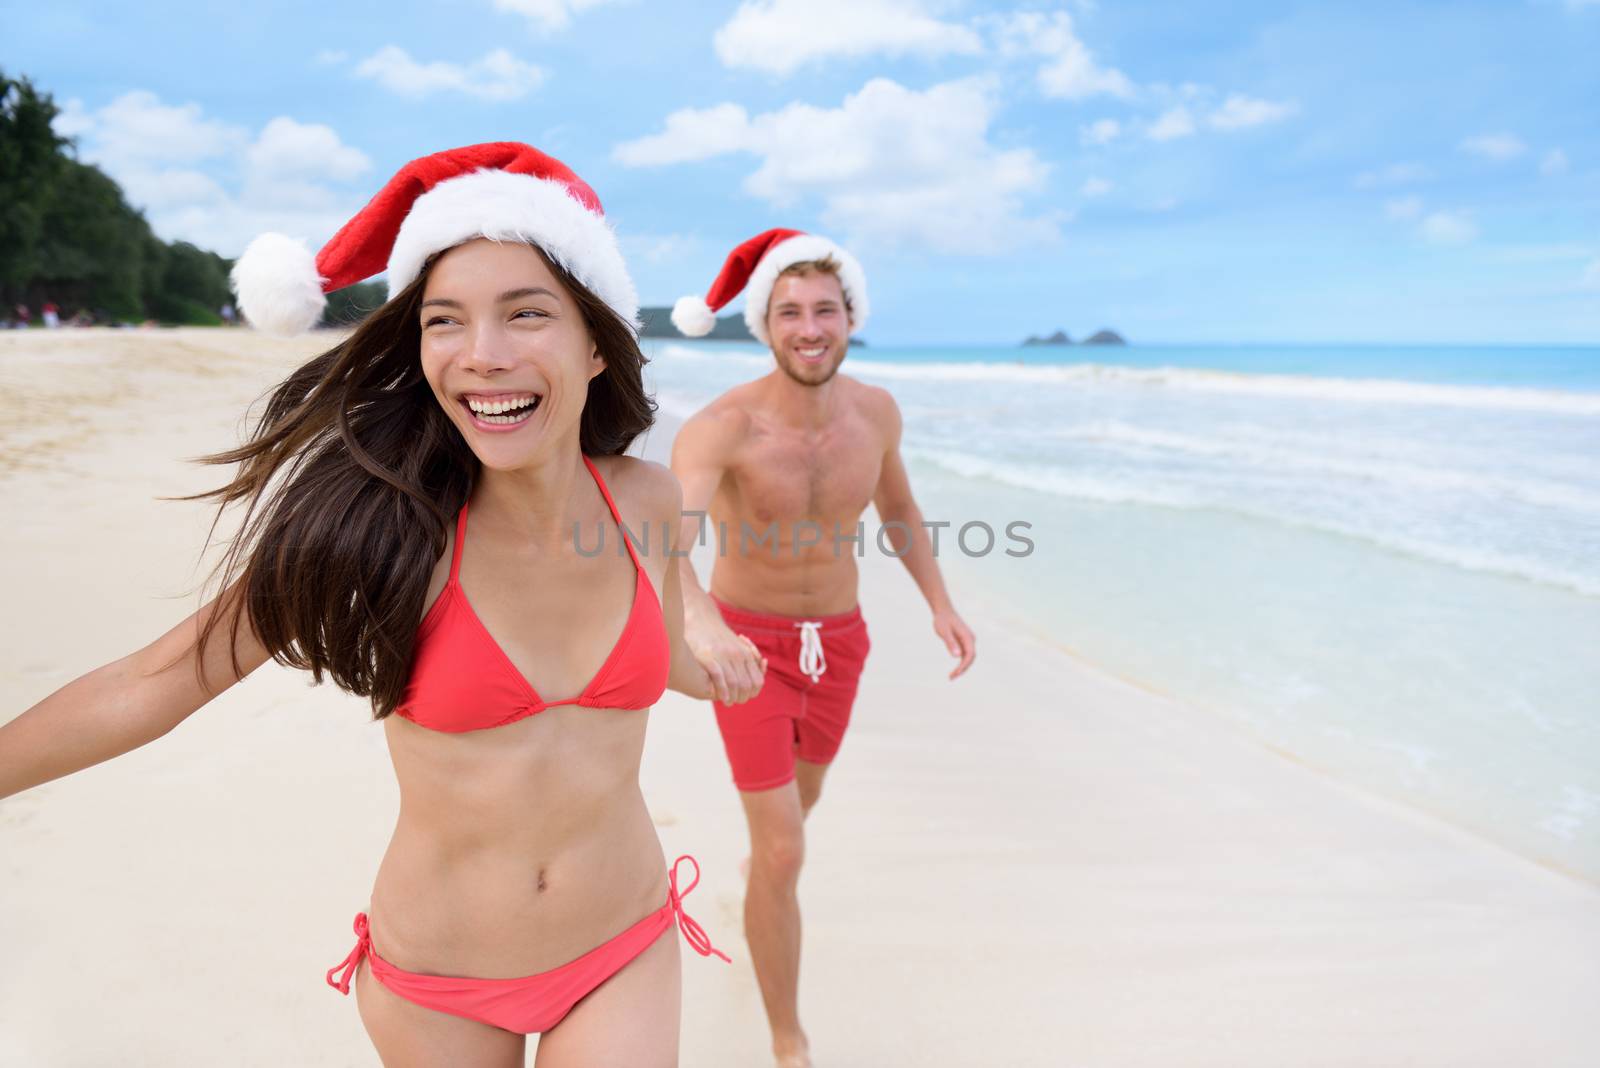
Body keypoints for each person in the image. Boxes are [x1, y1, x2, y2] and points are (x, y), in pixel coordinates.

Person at [0, 142, 755, 1066]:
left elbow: (662, 655)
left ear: (596, 342)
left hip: (622, 946)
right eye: (446, 322)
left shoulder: (645, 501)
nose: (484, 355)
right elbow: (158, 678)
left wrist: (721, 670)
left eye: (526, 314)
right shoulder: (384, 532)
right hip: (440, 984)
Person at [668, 228, 978, 1067]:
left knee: (799, 813)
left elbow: (900, 513)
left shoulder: (876, 413)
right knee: (784, 848)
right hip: (749, 651)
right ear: (764, 325)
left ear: (851, 319)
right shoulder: (722, 427)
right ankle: (787, 1039)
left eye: (826, 311)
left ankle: (763, 878)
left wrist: (941, 604)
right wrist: (700, 621)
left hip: (840, 644)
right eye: (791, 312)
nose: (810, 327)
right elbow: (668, 541)